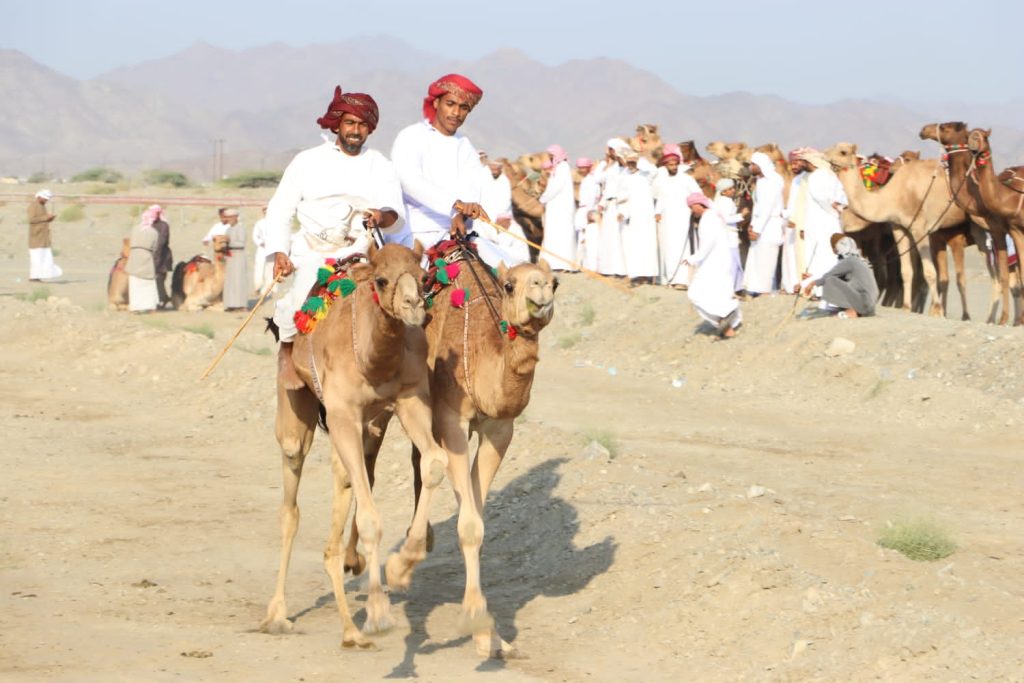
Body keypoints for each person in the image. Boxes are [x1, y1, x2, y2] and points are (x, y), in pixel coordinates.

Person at [264, 85, 405, 384]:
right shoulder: (307, 161)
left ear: (370, 128)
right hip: (314, 251)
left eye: (363, 124)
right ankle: (287, 350)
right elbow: (280, 209)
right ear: (337, 125)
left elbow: (394, 212)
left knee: (397, 305)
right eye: (350, 123)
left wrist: (380, 216)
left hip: (361, 252)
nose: (356, 130)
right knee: (302, 298)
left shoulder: (380, 164)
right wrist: (279, 252)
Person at [391, 73, 511, 264]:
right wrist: (454, 205)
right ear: (436, 103)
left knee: (509, 269)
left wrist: (460, 214)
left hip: (458, 233)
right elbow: (409, 181)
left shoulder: (465, 146)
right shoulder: (411, 136)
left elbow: (471, 191)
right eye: (450, 104)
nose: (456, 112)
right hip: (416, 233)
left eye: (464, 108)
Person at [682, 193, 742, 338]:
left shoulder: (708, 218)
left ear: (698, 204)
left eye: (691, 207)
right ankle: (725, 324)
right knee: (716, 293)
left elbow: (708, 243)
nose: (692, 211)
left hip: (714, 262)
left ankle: (726, 313)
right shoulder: (713, 215)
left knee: (696, 293)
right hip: (717, 260)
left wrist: (693, 258)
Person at [653, 144, 701, 287]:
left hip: (683, 218)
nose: (673, 167)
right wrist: (657, 212)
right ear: (666, 166)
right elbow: (660, 198)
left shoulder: (687, 179)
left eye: (675, 164)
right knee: (669, 248)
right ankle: (670, 278)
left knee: (683, 248)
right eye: (670, 165)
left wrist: (694, 209)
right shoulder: (662, 181)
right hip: (667, 220)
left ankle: (683, 280)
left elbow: (697, 194)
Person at [802, 152, 848, 295]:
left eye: (807, 162)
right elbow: (842, 199)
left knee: (819, 254)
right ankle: (828, 289)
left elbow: (821, 198)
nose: (806, 165)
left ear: (813, 163)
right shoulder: (832, 176)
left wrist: (832, 209)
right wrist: (837, 209)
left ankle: (819, 290)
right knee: (831, 254)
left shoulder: (816, 176)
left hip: (819, 220)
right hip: (832, 220)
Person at [802, 234, 878, 318]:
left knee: (830, 280)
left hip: (864, 302)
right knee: (840, 280)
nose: (834, 250)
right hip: (870, 305)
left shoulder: (849, 261)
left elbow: (829, 275)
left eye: (834, 247)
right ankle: (856, 310)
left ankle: (853, 310)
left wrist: (812, 284)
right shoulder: (859, 260)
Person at [743, 151, 785, 296]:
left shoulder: (772, 181)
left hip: (769, 225)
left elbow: (767, 208)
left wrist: (757, 229)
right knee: (758, 258)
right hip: (760, 224)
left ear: (760, 165)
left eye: (753, 164)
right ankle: (756, 290)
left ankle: (765, 291)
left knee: (766, 259)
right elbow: (758, 207)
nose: (750, 167)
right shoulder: (761, 181)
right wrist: (752, 224)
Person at [619, 151, 659, 285]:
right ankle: (637, 276)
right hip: (633, 218)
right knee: (634, 247)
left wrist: (639, 159)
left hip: (647, 217)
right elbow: (623, 197)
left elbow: (654, 170)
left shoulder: (646, 175)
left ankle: (649, 276)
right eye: (629, 162)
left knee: (648, 245)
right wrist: (623, 212)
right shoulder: (625, 177)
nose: (631, 164)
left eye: (633, 162)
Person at [539, 144, 577, 271]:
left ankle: (564, 264)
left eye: (552, 155)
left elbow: (557, 187)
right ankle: (553, 263)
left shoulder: (563, 167)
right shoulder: (556, 169)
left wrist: (543, 198)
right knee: (554, 234)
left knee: (563, 234)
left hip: (561, 207)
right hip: (554, 207)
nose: (550, 157)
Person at [596, 139, 631, 277]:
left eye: (610, 150)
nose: (608, 153)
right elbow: (598, 179)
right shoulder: (613, 168)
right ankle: (608, 269)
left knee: (619, 238)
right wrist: (605, 163)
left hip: (621, 206)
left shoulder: (628, 170)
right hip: (609, 206)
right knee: (608, 238)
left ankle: (621, 270)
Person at [781, 149, 813, 294]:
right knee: (791, 254)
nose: (794, 166)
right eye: (792, 163)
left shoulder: (810, 179)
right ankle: (792, 284)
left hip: (805, 222)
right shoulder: (796, 180)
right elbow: (793, 202)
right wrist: (788, 216)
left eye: (797, 163)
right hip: (792, 221)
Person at [124, 205, 161, 313]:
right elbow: (155, 248)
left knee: (135, 283)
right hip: (146, 258)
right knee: (147, 283)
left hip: (134, 257)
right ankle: (149, 306)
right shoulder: (153, 232)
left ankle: (135, 307)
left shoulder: (135, 229)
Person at [713, 178, 746, 292]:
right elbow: (726, 219)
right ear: (723, 192)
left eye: (733, 188)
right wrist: (741, 215)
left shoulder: (722, 201)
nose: (733, 190)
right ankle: (732, 288)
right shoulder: (725, 201)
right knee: (732, 262)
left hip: (728, 235)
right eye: (730, 189)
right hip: (729, 235)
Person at [27, 189, 61, 282]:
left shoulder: (42, 206)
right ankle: (33, 277)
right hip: (36, 237)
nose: (46, 201)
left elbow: (42, 219)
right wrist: (46, 217)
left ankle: (38, 276)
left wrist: (50, 218)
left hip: (43, 236)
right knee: (36, 257)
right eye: (45, 199)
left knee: (44, 256)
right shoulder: (33, 206)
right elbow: (31, 220)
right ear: (39, 197)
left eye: (47, 199)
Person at [575, 158, 601, 271]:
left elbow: (592, 198)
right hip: (583, 210)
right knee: (582, 238)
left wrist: (589, 215)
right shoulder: (586, 179)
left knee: (589, 239)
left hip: (588, 211)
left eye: (583, 168)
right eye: (579, 168)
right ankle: (581, 264)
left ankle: (591, 267)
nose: (581, 170)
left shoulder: (591, 180)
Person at [221, 208, 249, 311]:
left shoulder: (240, 229)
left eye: (230, 217)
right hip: (230, 258)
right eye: (227, 217)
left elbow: (241, 243)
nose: (228, 219)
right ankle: (231, 305)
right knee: (230, 281)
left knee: (239, 280)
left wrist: (229, 243)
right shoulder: (228, 230)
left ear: (235, 217)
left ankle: (241, 305)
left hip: (239, 256)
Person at [251, 205, 276, 297]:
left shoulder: (276, 222)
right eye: (265, 211)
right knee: (259, 266)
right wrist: (260, 243)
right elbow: (255, 235)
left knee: (270, 268)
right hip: (262, 248)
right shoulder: (259, 223)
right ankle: (257, 287)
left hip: (272, 247)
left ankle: (269, 289)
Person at [152, 206, 173, 308]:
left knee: (159, 277)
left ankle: (162, 299)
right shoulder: (150, 225)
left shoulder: (164, 225)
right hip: (152, 255)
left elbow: (161, 242)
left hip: (163, 256)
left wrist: (156, 257)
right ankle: (161, 298)